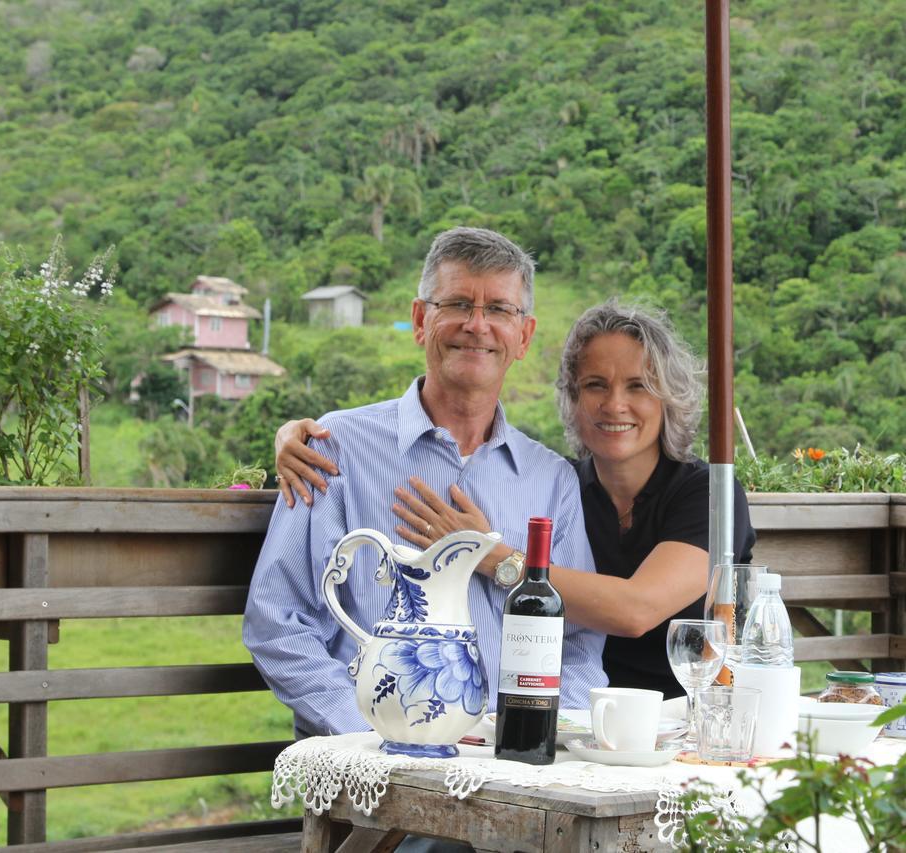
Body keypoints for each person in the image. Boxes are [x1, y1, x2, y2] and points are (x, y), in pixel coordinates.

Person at [276, 299, 755, 698]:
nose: (614, 405)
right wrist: (295, 438)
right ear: (571, 397)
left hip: (687, 717)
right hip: (591, 725)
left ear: (669, 397)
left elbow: (635, 611)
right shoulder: (561, 486)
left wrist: (488, 554)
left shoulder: (707, 494)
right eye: (594, 386)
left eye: (639, 386)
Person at [244, 227, 607, 739]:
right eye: (457, 303)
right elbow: (278, 620)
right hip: (370, 767)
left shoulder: (551, 480)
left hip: (512, 768)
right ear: (421, 320)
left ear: (523, 337)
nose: (476, 325)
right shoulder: (335, 449)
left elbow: (576, 645)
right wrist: (367, 734)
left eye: (499, 310)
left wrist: (538, 737)